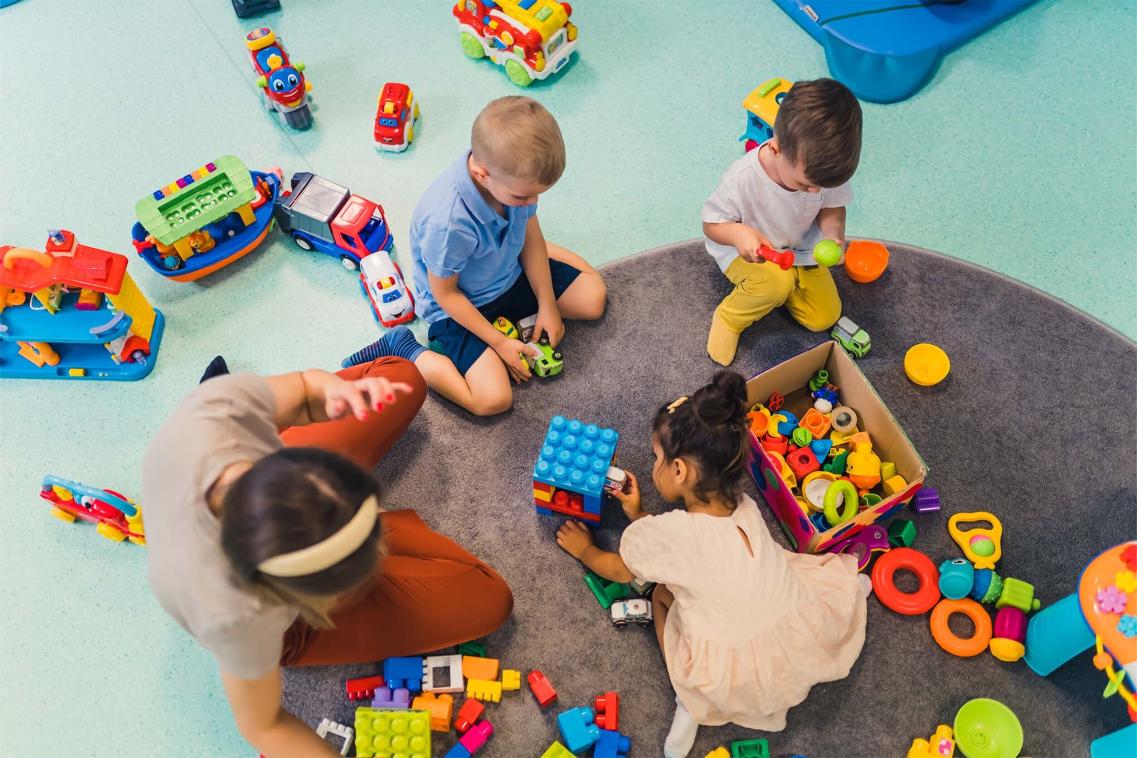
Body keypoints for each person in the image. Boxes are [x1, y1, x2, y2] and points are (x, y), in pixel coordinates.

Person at [142, 357, 513, 757]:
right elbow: (263, 725)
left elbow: (302, 388)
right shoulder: (234, 615)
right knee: (491, 600)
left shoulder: (221, 412)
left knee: (401, 378)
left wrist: (333, 396)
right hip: (279, 617)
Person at [555, 371, 867, 757]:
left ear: (680, 470)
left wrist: (584, 549)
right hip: (794, 633)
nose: (654, 467)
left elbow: (620, 569)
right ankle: (699, 697)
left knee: (661, 596)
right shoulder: (745, 506)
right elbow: (685, 547)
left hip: (732, 670)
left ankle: (690, 699)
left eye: (656, 458)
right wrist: (640, 515)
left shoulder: (673, 534)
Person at [341, 96, 607, 416]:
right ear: (482, 175)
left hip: (508, 275)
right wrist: (499, 342)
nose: (532, 201)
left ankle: (512, 254)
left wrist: (547, 302)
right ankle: (405, 347)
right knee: (492, 400)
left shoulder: (510, 181)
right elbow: (446, 295)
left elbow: (532, 235)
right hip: (458, 307)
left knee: (593, 298)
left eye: (537, 194)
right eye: (524, 196)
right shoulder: (448, 224)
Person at [702, 78, 863, 366]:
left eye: (820, 186)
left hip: (799, 249)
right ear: (776, 149)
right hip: (750, 253)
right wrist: (739, 234)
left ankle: (787, 286)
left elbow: (833, 206)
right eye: (805, 184)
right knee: (773, 284)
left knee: (824, 317)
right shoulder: (742, 179)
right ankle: (730, 317)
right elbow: (711, 224)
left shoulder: (821, 171)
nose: (815, 192)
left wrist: (833, 234)